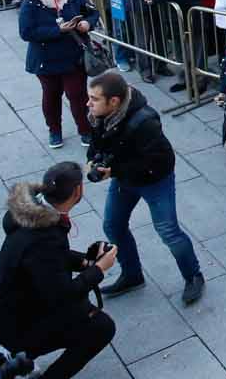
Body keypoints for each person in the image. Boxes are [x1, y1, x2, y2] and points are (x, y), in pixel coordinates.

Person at [0, 162, 119, 379]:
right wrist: (99, 269)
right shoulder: (44, 236)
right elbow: (63, 296)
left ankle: (18, 357)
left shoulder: (31, 216)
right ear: (78, 191)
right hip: (16, 324)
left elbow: (48, 261)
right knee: (101, 327)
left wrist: (86, 262)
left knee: (82, 315)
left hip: (11, 310)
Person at [86, 70, 206, 305]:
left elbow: (158, 161)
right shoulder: (98, 114)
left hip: (155, 181)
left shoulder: (145, 122)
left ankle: (193, 276)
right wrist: (93, 158)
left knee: (168, 231)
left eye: (94, 99)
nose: (88, 103)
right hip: (124, 179)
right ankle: (132, 275)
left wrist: (115, 171)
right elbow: (97, 142)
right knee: (113, 225)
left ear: (114, 101)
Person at [18, 0, 96, 150]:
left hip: (73, 56)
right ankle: (54, 130)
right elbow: (26, 32)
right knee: (51, 96)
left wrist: (87, 23)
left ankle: (85, 130)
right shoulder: (31, 2)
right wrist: (57, 30)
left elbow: (92, 13)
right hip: (46, 59)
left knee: (77, 95)